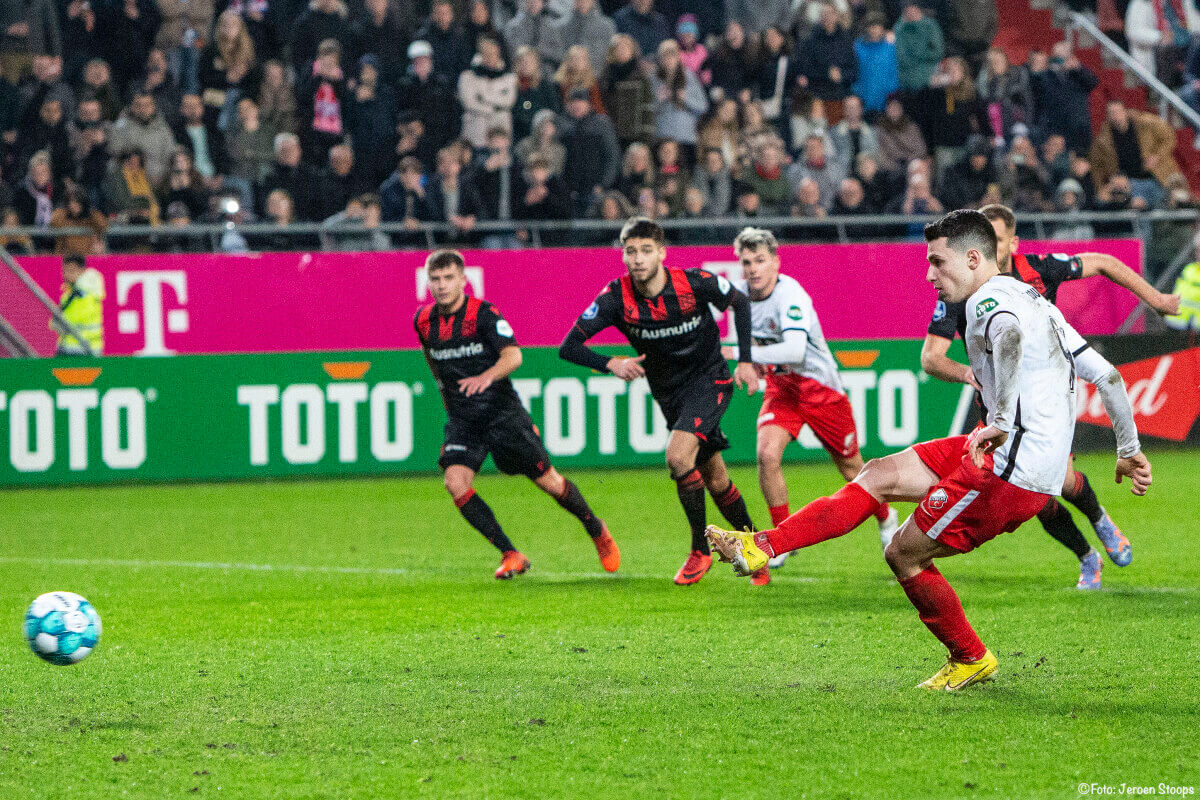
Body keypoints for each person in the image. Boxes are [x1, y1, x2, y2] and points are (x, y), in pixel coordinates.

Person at [707, 209, 1153, 690]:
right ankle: (764, 546)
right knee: (877, 474)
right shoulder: (1036, 301)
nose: (929, 275)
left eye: (938, 263)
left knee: (904, 554)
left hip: (1008, 472)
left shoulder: (985, 303)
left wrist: (1000, 419)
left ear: (975, 258)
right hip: (1002, 453)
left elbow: (1010, 337)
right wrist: (1127, 448)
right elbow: (1107, 375)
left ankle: (970, 657)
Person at [919, 204, 1179, 588]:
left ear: (1011, 242)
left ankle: (1101, 521)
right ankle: (1087, 556)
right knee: (1040, 500)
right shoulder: (958, 291)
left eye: (999, 239)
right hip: (999, 414)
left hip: (1044, 407)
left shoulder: (1038, 271)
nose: (992, 246)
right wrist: (967, 373)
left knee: (1063, 483)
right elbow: (930, 358)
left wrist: (1156, 299)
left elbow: (1104, 262)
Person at [559, 217, 759, 585]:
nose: (637, 259)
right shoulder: (616, 297)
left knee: (677, 457)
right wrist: (610, 363)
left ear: (662, 254)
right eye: (630, 251)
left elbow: (740, 302)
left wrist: (745, 359)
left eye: (646, 251)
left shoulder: (694, 282)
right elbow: (568, 346)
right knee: (716, 478)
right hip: (670, 394)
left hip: (710, 380)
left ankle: (700, 550)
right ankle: (758, 548)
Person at [415, 249, 621, 580]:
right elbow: (431, 357)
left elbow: (513, 357)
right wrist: (445, 395)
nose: (441, 286)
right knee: (455, 483)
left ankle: (596, 528)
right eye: (435, 279)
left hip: (502, 414)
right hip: (464, 419)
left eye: (448, 278)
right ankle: (510, 553)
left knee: (550, 483)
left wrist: (486, 377)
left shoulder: (483, 314)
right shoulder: (423, 321)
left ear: (463, 281)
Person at [725, 227, 898, 585]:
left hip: (821, 390)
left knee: (853, 472)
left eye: (760, 260)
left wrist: (741, 355)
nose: (754, 268)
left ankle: (886, 517)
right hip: (783, 388)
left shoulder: (791, 295)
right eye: (747, 262)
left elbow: (794, 351)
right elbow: (750, 344)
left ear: (775, 261)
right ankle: (781, 539)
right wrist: (751, 366)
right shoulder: (739, 297)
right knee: (767, 455)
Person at [53, 254, 104, 355]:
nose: (66, 274)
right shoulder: (71, 291)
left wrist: (57, 322)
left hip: (84, 347)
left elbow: (75, 316)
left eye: (71, 271)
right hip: (69, 344)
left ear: (82, 271)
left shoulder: (85, 293)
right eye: (65, 271)